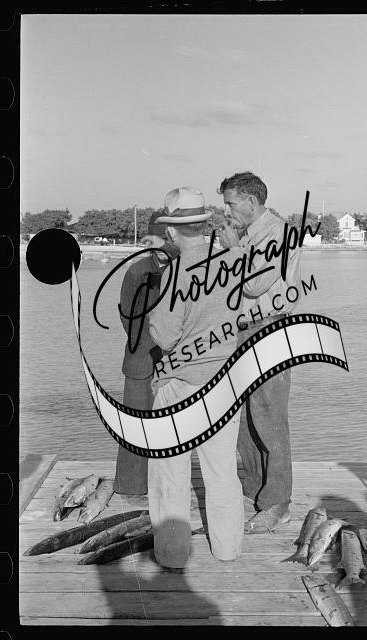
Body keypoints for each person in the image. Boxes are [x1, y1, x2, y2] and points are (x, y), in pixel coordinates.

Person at [148, 186, 244, 570]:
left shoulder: (176, 272)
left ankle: (172, 555)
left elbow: (164, 335)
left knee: (170, 473)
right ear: (204, 225)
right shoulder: (233, 261)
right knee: (222, 472)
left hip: (181, 382)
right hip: (225, 381)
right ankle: (227, 549)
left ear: (172, 230)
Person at [218, 171, 303, 534]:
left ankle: (278, 504)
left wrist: (232, 248)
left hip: (269, 329)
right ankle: (256, 489)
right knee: (244, 419)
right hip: (245, 331)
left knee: (269, 418)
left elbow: (254, 284)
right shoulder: (250, 235)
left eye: (230, 203)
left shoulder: (279, 234)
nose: (226, 211)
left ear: (251, 202)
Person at [113, 212, 179, 505]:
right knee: (135, 425)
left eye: (169, 239)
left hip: (175, 360)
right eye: (158, 240)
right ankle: (130, 488)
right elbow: (126, 316)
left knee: (170, 426)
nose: (163, 246)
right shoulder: (136, 272)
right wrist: (147, 343)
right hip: (141, 358)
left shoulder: (184, 269)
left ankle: (165, 486)